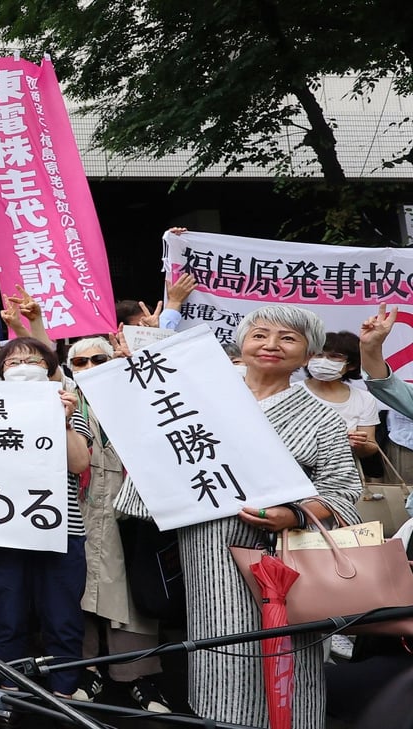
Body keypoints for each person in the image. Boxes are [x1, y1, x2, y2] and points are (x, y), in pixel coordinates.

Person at [118, 303, 361, 727]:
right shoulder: (196, 403)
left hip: (283, 559)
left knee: (289, 650)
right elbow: (153, 454)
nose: (271, 345)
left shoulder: (321, 417)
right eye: (260, 335)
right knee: (218, 649)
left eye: (288, 338)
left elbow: (343, 488)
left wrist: (294, 515)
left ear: (307, 355)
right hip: (208, 549)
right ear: (242, 344)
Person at [0, 337, 92, 703]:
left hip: (61, 530)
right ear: (0, 373)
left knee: (62, 615)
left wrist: (64, 423)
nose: (23, 366)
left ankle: (64, 689)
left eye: (32, 359)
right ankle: (12, 688)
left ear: (48, 368)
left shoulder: (68, 402)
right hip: (3, 529)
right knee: (6, 613)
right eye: (13, 362)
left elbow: (79, 463)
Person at [66, 337, 171, 712]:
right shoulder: (66, 402)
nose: (90, 367)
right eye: (80, 362)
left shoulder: (141, 396)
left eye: (99, 359)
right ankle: (86, 668)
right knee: (80, 590)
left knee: (132, 591)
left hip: (136, 512)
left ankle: (139, 676)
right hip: (80, 508)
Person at [301, 331, 380, 459]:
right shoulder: (289, 390)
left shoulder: (364, 399)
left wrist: (360, 444)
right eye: (318, 355)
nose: (323, 361)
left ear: (352, 365)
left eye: (334, 356)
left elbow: (371, 446)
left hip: (341, 473)